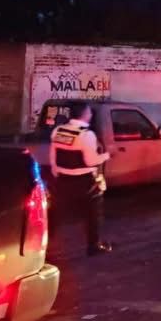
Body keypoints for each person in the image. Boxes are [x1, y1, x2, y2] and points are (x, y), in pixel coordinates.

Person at [50, 103, 113, 255]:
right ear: (84, 114)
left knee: (55, 215)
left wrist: (57, 173)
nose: (91, 114)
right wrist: (107, 155)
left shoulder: (58, 130)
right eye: (89, 112)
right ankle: (93, 246)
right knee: (93, 214)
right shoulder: (87, 135)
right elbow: (91, 161)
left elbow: (53, 156)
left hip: (62, 180)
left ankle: (44, 247)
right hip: (85, 182)